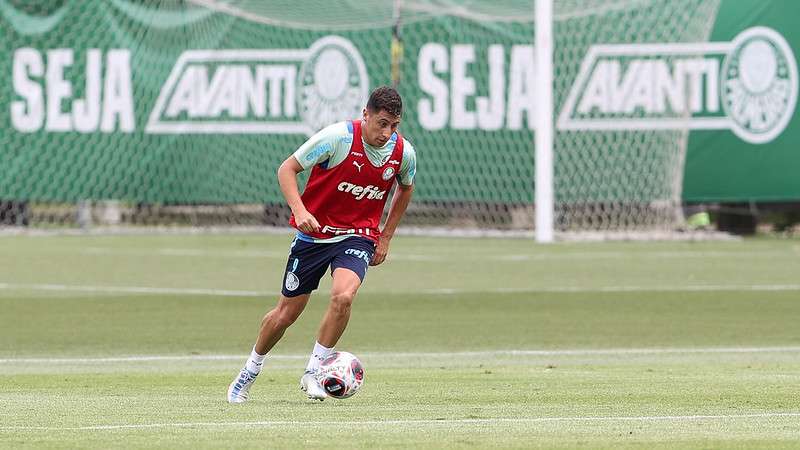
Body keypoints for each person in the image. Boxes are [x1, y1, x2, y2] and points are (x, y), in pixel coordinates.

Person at [227, 86, 416, 403]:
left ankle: (314, 371)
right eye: (382, 123)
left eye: (394, 126)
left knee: (343, 296)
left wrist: (385, 237)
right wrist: (299, 211)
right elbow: (287, 169)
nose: (388, 133)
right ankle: (250, 370)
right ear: (365, 115)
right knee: (285, 315)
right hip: (315, 236)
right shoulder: (337, 138)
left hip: (358, 235)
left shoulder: (403, 154)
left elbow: (405, 189)